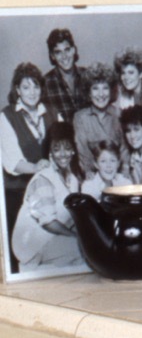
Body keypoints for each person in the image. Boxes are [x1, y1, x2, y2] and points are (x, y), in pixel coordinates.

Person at [11, 121, 84, 271]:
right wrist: (75, 236)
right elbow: (48, 222)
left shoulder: (73, 179)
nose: (62, 154)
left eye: (67, 148)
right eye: (57, 149)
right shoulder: (43, 178)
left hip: (52, 241)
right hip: (32, 248)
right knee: (84, 249)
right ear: (50, 153)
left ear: (73, 151)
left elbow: (71, 218)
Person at [2, 63, 51, 272]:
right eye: (26, 87)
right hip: (18, 193)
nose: (32, 92)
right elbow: (12, 162)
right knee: (21, 251)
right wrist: (38, 167)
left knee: (47, 247)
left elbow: (62, 148)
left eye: (36, 86)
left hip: (48, 190)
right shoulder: (6, 116)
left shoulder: (51, 112)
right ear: (17, 90)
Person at [72, 63, 123, 177]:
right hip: (92, 177)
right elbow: (83, 154)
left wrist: (123, 179)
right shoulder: (80, 118)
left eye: (105, 88)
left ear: (111, 91)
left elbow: (124, 153)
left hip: (117, 176)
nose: (101, 94)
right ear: (88, 93)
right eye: (95, 88)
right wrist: (93, 180)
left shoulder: (119, 115)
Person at [43, 28, 85, 122]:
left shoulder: (88, 76)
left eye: (67, 50)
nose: (64, 56)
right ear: (52, 56)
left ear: (74, 50)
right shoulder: (45, 84)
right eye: (58, 52)